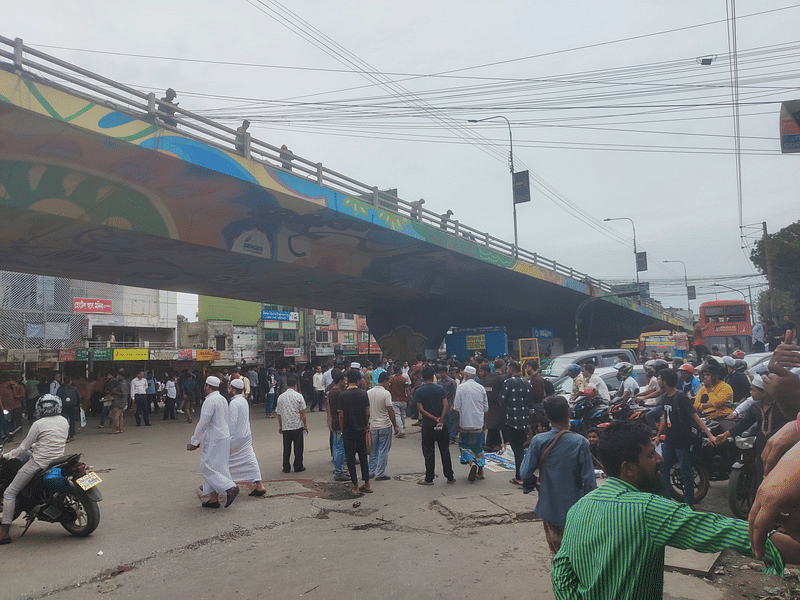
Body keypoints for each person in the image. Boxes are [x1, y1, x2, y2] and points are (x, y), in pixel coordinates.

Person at [551, 421, 792, 599]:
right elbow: (719, 529)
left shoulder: (579, 508)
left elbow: (561, 572)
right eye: (649, 455)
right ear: (628, 469)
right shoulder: (646, 510)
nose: (659, 459)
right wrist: (772, 541)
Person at [521, 395, 596, 555]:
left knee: (557, 554)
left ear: (546, 415)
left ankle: (560, 578)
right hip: (575, 511)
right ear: (568, 414)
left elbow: (524, 472)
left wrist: (536, 483)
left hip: (549, 509)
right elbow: (589, 482)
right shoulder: (580, 442)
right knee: (577, 555)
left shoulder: (538, 441)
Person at [0, 394, 68, 544]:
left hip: (40, 463)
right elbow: (53, 441)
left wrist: (8, 455)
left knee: (10, 492)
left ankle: (3, 533)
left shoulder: (38, 424)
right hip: (58, 460)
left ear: (40, 408)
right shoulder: (64, 421)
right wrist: (37, 446)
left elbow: (23, 448)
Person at [654, 368, 716, 505]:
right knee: (663, 468)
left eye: (659, 379)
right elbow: (665, 416)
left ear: (665, 381)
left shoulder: (680, 397)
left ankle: (689, 503)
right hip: (669, 440)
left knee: (685, 471)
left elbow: (696, 417)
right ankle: (666, 501)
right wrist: (659, 436)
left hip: (683, 441)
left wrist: (710, 435)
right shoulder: (666, 397)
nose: (658, 381)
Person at [187, 376, 239, 509]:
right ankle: (213, 499)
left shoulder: (210, 401)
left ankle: (229, 488)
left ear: (207, 386)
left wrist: (194, 441)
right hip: (223, 437)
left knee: (206, 468)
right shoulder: (222, 399)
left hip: (214, 439)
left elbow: (203, 422)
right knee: (218, 467)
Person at [415, 365, 455, 485]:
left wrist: (433, 418)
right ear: (433, 376)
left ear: (422, 376)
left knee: (428, 452)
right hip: (442, 425)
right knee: (445, 451)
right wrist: (441, 420)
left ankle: (429, 478)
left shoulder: (419, 391)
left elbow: (421, 410)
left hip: (427, 425)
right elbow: (445, 405)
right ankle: (450, 477)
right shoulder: (440, 389)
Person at [227, 379, 266, 497]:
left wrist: (226, 437)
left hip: (236, 437)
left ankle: (217, 485)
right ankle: (259, 485)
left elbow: (231, 423)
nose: (228, 389)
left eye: (229, 388)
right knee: (250, 459)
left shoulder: (234, 403)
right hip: (246, 436)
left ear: (234, 390)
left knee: (224, 460)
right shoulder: (243, 400)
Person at [499, 361, 533, 485]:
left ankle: (520, 476)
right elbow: (530, 402)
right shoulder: (526, 383)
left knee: (517, 450)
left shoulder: (507, 383)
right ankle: (523, 474)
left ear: (511, 369)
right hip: (524, 421)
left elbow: (501, 400)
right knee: (521, 448)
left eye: (508, 368)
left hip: (512, 421)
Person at [453, 365, 489, 482]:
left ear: (466, 375)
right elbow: (485, 408)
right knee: (479, 447)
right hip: (478, 422)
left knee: (464, 446)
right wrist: (484, 422)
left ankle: (471, 463)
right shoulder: (481, 388)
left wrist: (457, 423)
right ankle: (481, 471)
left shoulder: (461, 388)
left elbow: (457, 407)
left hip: (465, 422)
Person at [339, 370, 372, 496]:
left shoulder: (343, 395)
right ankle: (367, 484)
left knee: (351, 458)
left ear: (347, 380)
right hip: (361, 429)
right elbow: (367, 412)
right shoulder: (363, 394)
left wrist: (342, 429)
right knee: (363, 456)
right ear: (358, 380)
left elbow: (341, 415)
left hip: (348, 430)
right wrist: (365, 423)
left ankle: (356, 486)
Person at [367, 371, 399, 482]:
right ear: (385, 381)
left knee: (373, 450)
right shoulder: (386, 394)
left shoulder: (369, 392)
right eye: (388, 382)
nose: (389, 384)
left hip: (373, 425)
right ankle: (380, 473)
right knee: (383, 450)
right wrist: (395, 425)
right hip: (384, 425)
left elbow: (366, 410)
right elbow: (390, 410)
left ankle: (371, 471)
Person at [275, 373, 307, 473]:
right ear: (295, 385)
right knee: (298, 448)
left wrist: (280, 426)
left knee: (286, 448)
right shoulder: (298, 396)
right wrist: (305, 425)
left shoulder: (281, 397)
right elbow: (302, 412)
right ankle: (298, 466)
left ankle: (286, 466)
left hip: (286, 426)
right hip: (297, 426)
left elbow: (279, 414)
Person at [326, 370, 348, 481]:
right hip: (339, 423)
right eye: (344, 381)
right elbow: (341, 412)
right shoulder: (339, 393)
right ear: (340, 380)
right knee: (339, 447)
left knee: (336, 446)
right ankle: (339, 471)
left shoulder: (331, 391)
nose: (345, 383)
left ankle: (338, 468)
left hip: (334, 421)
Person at [56, 376, 80, 442]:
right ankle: (72, 435)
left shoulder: (60, 389)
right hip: (72, 406)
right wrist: (77, 405)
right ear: (70, 381)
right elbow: (78, 397)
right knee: (72, 421)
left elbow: (57, 398)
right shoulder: (75, 389)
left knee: (64, 421)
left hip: (64, 406)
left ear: (63, 382)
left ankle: (66, 437)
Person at [388, 365, 409, 438]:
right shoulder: (404, 379)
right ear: (400, 370)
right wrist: (409, 397)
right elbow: (407, 389)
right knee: (403, 414)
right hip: (403, 399)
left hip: (394, 399)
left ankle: (401, 430)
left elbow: (389, 388)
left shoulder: (391, 379)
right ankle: (402, 428)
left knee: (397, 415)